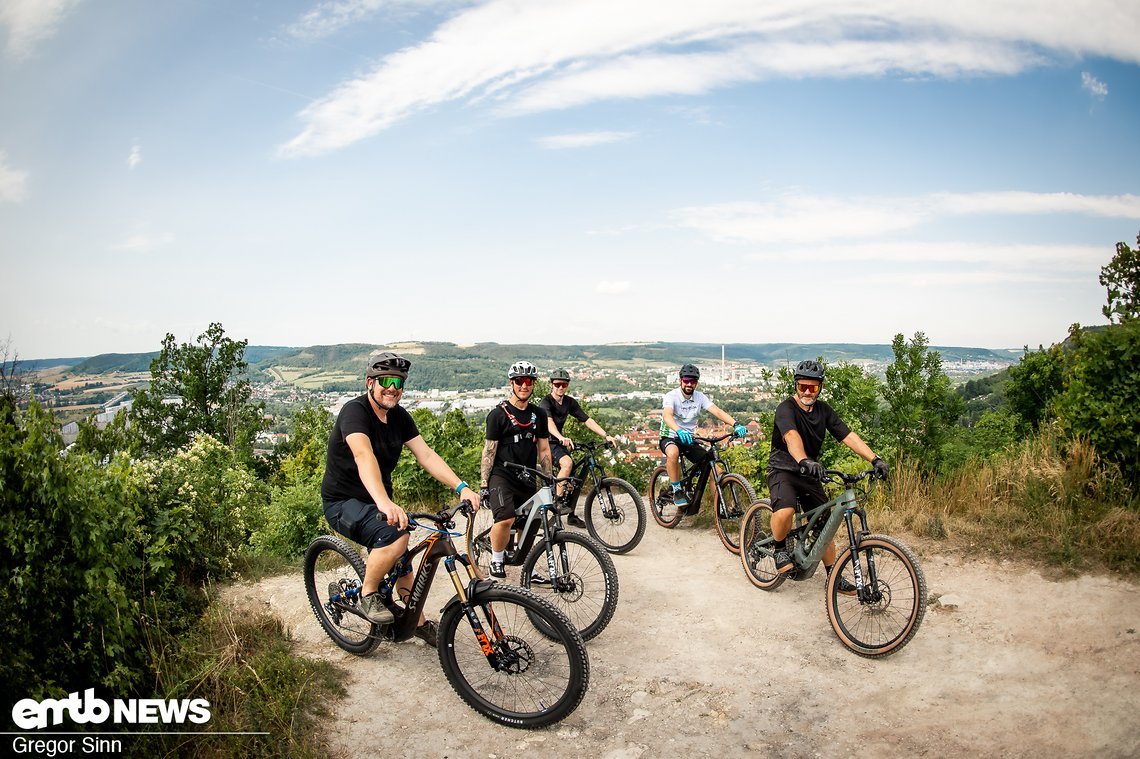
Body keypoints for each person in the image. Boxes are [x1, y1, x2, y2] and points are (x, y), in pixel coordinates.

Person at [321, 350, 481, 644]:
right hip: (343, 502)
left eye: (399, 381)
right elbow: (362, 454)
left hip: (378, 500)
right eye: (385, 380)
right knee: (397, 537)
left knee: (402, 555)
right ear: (370, 382)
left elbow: (427, 455)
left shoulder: (399, 417)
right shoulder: (354, 412)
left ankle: (414, 621)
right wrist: (383, 502)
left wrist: (462, 487)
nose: (392, 387)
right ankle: (368, 594)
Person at [766, 359, 890, 594]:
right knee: (786, 510)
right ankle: (779, 547)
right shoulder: (786, 409)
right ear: (795, 385)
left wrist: (875, 459)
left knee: (826, 524)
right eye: (802, 386)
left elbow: (847, 435)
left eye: (812, 388)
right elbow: (792, 437)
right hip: (783, 469)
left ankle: (833, 576)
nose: (806, 392)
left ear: (820, 388)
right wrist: (803, 460)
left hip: (809, 472)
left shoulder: (824, 411)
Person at [479, 360, 552, 578]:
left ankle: (528, 567)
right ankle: (497, 559)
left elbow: (544, 448)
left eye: (529, 381)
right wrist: (484, 484)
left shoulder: (538, 414)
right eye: (519, 381)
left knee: (529, 524)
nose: (524, 385)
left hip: (528, 476)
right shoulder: (497, 415)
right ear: (511, 383)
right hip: (502, 475)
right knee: (506, 519)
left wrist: (548, 478)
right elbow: (489, 451)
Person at [659, 363, 748, 512]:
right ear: (680, 380)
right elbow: (667, 415)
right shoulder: (671, 396)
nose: (689, 384)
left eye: (693, 381)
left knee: (717, 472)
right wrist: (679, 430)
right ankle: (677, 490)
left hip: (689, 439)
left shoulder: (699, 397)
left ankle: (719, 508)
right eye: (686, 380)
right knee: (673, 453)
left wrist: (736, 424)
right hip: (671, 436)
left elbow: (717, 412)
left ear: (696, 383)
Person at [538, 368, 617, 528]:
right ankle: (557, 504)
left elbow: (587, 420)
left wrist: (606, 435)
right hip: (546, 442)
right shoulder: (545, 402)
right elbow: (548, 423)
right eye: (557, 384)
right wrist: (560, 437)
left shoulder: (569, 402)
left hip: (559, 442)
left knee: (575, 477)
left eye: (564, 385)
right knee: (567, 464)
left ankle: (572, 515)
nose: (560, 387)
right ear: (551, 385)